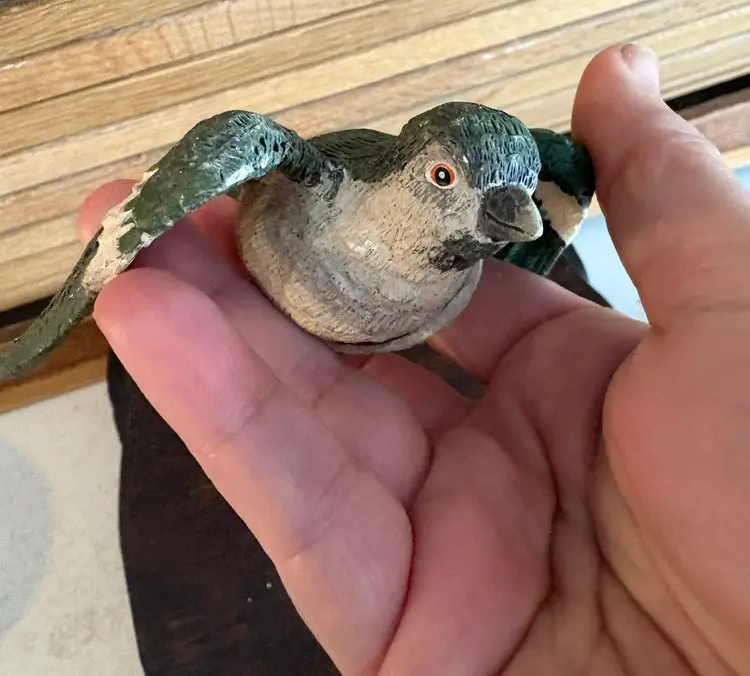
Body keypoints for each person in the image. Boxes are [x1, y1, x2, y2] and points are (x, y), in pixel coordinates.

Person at [78, 44, 750, 675]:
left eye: (516, 192)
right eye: (444, 178)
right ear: (414, 169)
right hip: (271, 279)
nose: (509, 211)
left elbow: (547, 198)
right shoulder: (310, 182)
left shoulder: (467, 274)